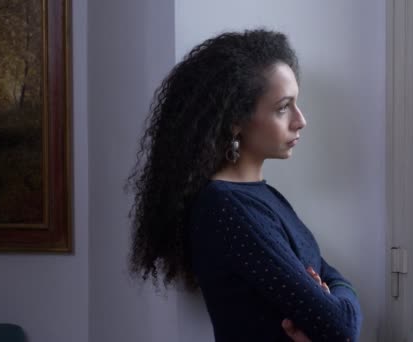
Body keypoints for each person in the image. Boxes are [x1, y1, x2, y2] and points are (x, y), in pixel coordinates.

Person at [126, 28, 362, 342]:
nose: (300, 119)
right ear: (235, 120)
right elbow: (342, 328)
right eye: (283, 108)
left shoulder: (263, 197)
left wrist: (335, 296)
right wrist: (337, 300)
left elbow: (333, 287)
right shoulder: (226, 209)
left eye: (297, 103)